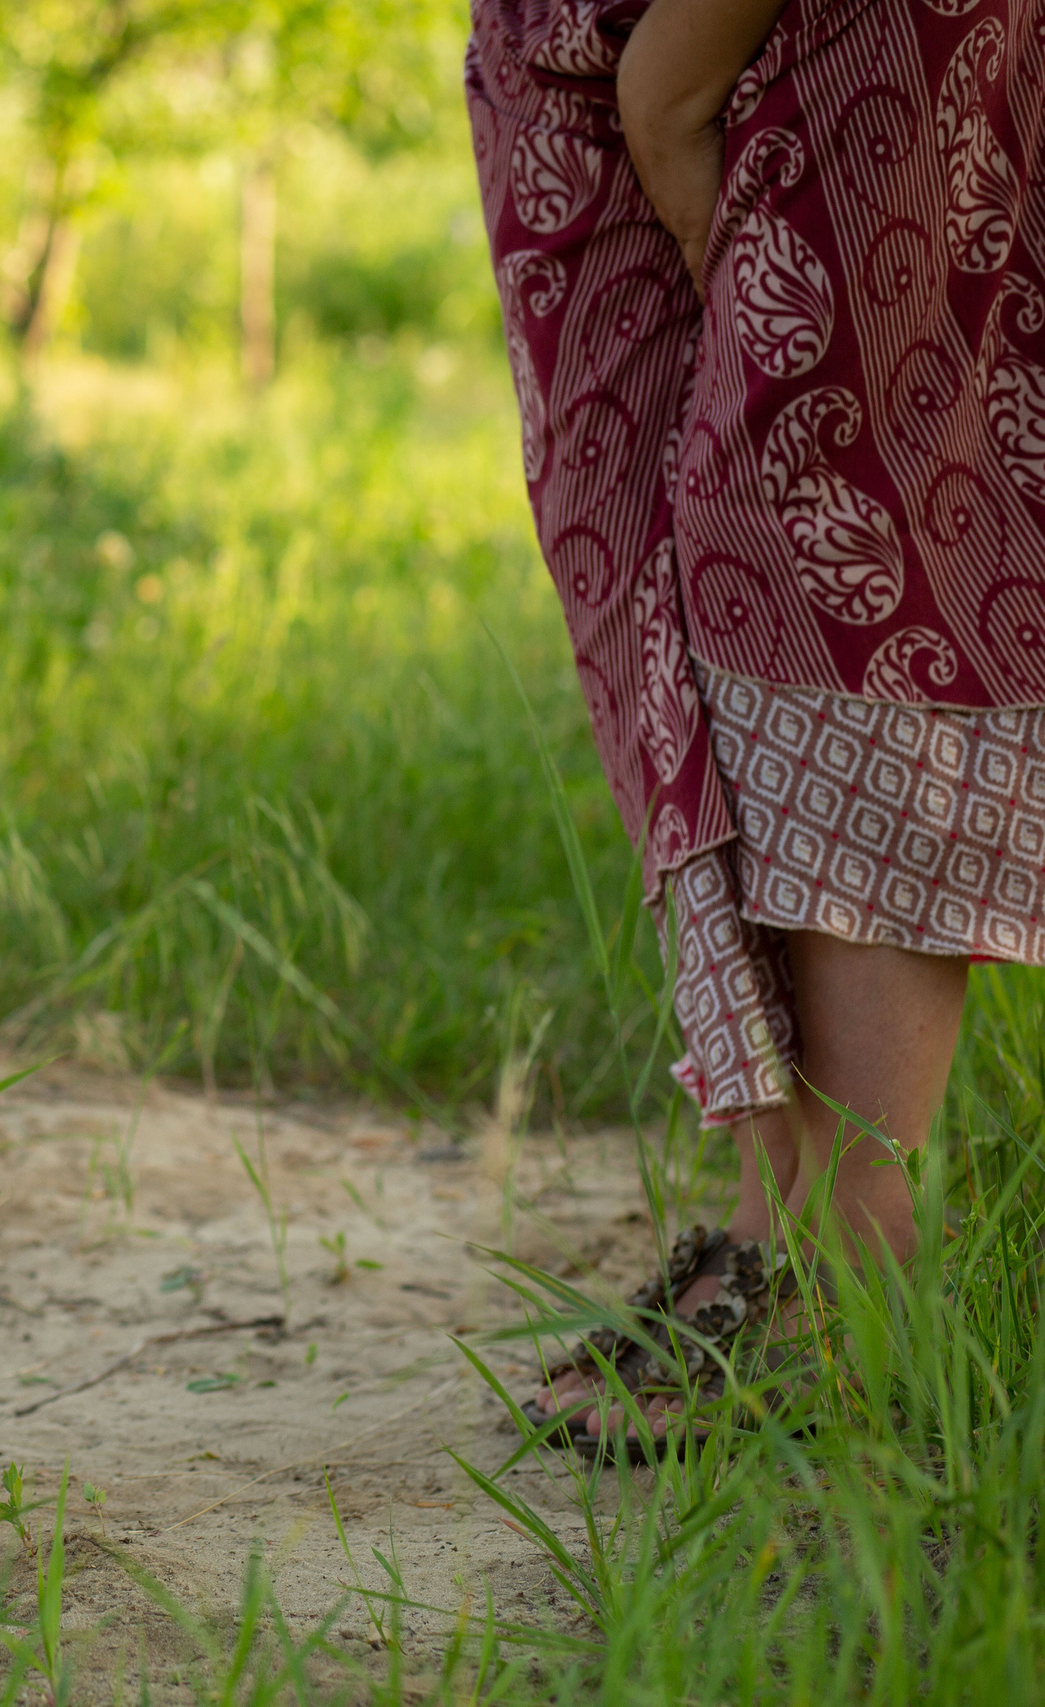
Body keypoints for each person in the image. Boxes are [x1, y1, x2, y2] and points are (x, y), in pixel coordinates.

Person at [467, 0, 1045, 1457]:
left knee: (829, 571)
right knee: (650, 598)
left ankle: (854, 1257)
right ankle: (768, 1225)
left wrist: (672, 80)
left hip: (816, 36)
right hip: (571, 57)